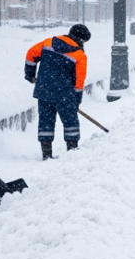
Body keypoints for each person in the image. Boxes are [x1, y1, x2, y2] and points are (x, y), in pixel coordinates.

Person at [25, 24, 90, 159]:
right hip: (65, 95)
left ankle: (46, 153)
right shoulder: (79, 55)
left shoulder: (48, 42)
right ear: (81, 40)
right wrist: (77, 99)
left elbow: (31, 54)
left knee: (46, 121)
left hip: (44, 90)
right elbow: (79, 81)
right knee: (70, 121)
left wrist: (30, 74)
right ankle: (72, 151)